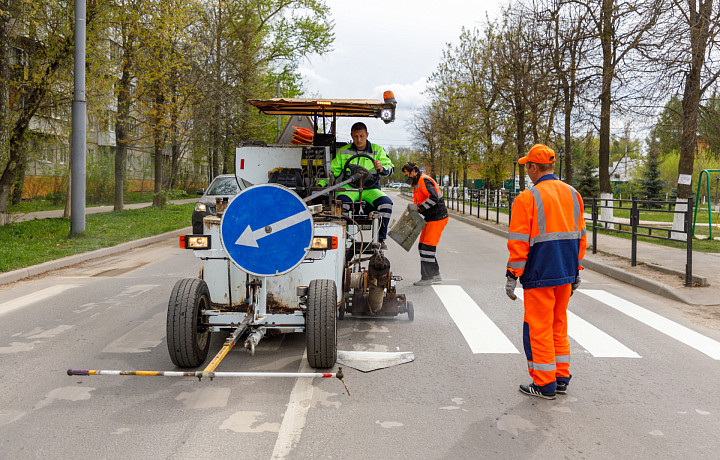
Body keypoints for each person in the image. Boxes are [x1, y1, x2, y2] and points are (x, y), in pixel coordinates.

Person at [505, 144, 586, 400]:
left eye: (527, 166)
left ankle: (544, 384)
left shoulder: (527, 198)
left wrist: (512, 275)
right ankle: (561, 378)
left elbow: (519, 242)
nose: (527, 171)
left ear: (533, 167)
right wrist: (577, 270)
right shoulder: (573, 194)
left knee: (537, 328)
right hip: (566, 271)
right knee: (558, 325)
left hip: (540, 272)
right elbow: (581, 236)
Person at [329, 122, 394, 248]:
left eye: (361, 136)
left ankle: (380, 240)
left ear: (367, 135)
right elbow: (333, 171)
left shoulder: (378, 150)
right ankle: (344, 239)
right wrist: (321, 185)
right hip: (350, 188)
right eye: (355, 136)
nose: (358, 139)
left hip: (371, 189)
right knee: (340, 204)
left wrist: (382, 168)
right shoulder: (344, 151)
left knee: (386, 204)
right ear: (351, 136)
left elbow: (390, 168)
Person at [402, 162, 449, 286]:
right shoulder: (417, 183)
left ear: (414, 172)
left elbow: (434, 199)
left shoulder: (424, 181)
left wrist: (419, 209)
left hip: (438, 217)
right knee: (422, 246)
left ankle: (427, 278)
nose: (407, 178)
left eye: (408, 175)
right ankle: (435, 274)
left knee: (427, 247)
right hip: (431, 218)